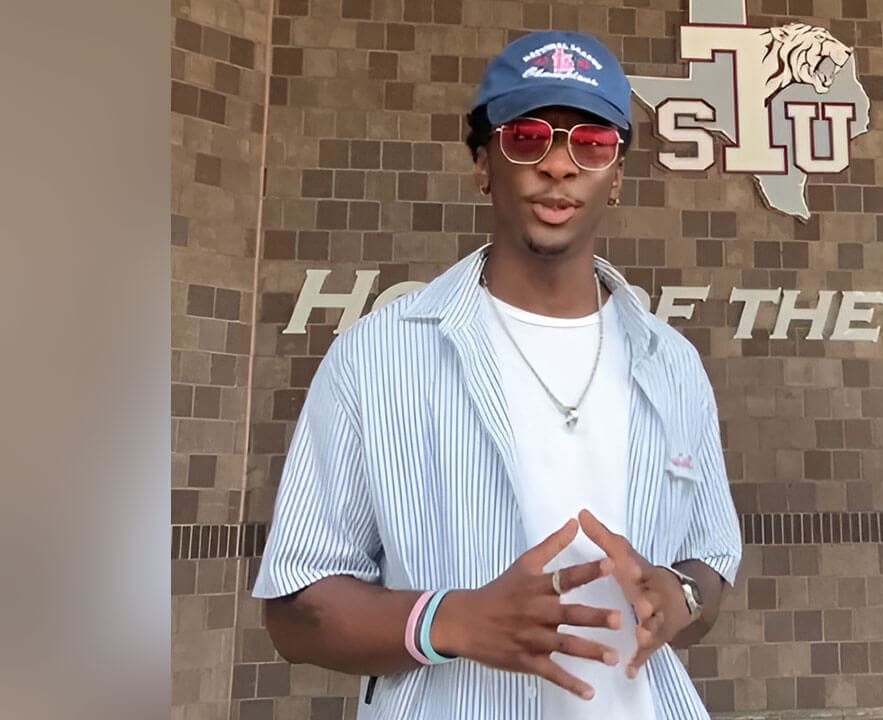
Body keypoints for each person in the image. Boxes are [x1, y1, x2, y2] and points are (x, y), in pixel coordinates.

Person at [252, 30, 743, 720]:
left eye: (592, 144)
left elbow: (709, 565)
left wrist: (676, 596)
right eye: (528, 137)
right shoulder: (380, 358)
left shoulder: (672, 365)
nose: (560, 166)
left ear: (618, 173)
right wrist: (450, 621)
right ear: (483, 163)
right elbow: (294, 610)